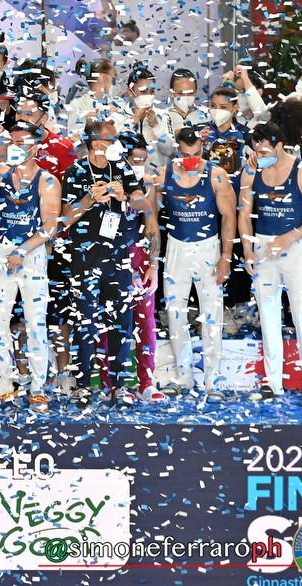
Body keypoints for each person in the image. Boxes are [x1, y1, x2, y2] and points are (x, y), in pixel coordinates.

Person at [61, 120, 152, 408]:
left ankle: (120, 385)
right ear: (97, 143)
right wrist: (89, 198)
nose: (118, 145)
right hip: (84, 258)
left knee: (121, 321)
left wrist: (127, 197)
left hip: (118, 255)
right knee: (85, 322)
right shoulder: (76, 171)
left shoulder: (122, 168)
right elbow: (64, 218)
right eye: (113, 139)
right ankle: (83, 386)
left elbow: (144, 204)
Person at [239, 122, 302, 405]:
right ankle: (273, 383)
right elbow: (244, 212)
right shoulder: (251, 171)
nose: (259, 155)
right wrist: (248, 249)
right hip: (264, 246)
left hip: (295, 246)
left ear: (279, 145)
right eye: (256, 150)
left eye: (264, 150)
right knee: (267, 315)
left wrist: (289, 237)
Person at [0, 122, 60, 412]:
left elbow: (50, 226)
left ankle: (37, 388)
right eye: (12, 142)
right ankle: (3, 385)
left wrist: (23, 250)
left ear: (35, 147)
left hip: (32, 254)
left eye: (22, 142)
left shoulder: (46, 180)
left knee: (35, 322)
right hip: (4, 252)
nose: (15, 147)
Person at [153, 126, 237, 399]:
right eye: (186, 154)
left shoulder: (216, 175)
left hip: (208, 248)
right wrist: (153, 257)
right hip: (176, 247)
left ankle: (213, 381)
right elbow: (150, 216)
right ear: (177, 150)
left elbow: (230, 217)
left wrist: (226, 257)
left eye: (197, 154)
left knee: (212, 314)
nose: (192, 159)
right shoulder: (163, 175)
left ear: (203, 149)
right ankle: (184, 376)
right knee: (175, 313)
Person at [121, 134, 165, 401]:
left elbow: (153, 225)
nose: (139, 165)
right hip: (114, 257)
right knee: (113, 322)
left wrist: (153, 265)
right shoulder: (112, 182)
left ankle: (147, 381)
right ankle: (112, 382)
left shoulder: (149, 182)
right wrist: (126, 268)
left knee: (146, 322)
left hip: (142, 256)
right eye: (134, 160)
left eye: (143, 159)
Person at [111, 67, 172, 168]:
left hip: (156, 176)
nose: (148, 96)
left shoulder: (163, 115)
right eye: (143, 91)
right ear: (130, 92)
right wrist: (131, 123)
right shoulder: (117, 117)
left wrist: (156, 126)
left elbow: (169, 151)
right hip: (127, 176)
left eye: (152, 91)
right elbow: (111, 148)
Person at [65, 58, 123, 140]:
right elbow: (73, 141)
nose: (117, 82)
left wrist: (118, 119)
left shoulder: (119, 103)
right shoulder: (78, 104)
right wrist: (89, 128)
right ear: (105, 78)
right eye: (114, 77)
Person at [166, 68, 210, 137]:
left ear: (196, 91)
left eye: (190, 93)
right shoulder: (163, 117)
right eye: (180, 93)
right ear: (171, 93)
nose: (185, 97)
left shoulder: (208, 115)